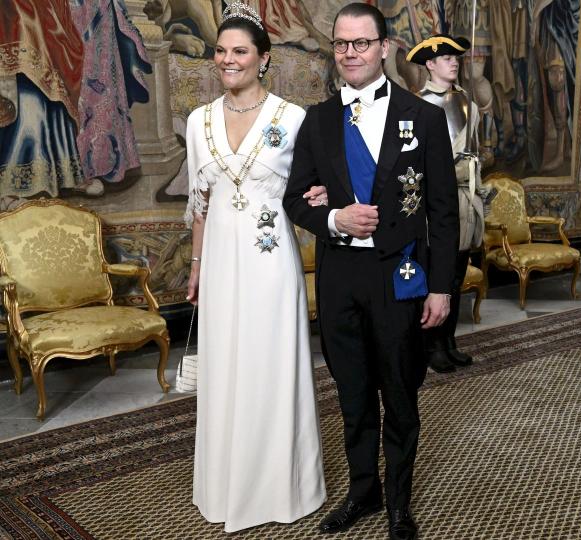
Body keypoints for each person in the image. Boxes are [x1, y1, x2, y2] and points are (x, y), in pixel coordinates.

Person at [282, 4, 458, 540]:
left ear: (384, 47)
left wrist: (443, 287)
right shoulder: (316, 119)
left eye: (361, 43)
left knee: (400, 395)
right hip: (340, 280)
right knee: (353, 395)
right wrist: (334, 217)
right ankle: (364, 491)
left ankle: (400, 504)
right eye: (341, 44)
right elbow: (295, 199)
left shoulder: (422, 118)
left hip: (400, 278)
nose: (350, 53)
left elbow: (443, 213)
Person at [184, 3, 325, 532]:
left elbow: (313, 188)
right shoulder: (198, 123)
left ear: (263, 59)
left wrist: (326, 194)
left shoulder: (293, 119)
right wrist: (196, 267)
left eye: (239, 51)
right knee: (224, 369)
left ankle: (281, 488)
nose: (228, 60)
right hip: (220, 262)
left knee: (271, 368)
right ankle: (223, 489)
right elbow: (200, 204)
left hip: (270, 264)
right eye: (220, 51)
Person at [407, 34, 485, 373]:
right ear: (430, 64)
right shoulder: (416, 105)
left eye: (456, 58)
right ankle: (430, 346)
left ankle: (449, 340)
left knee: (456, 272)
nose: (454, 62)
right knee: (437, 272)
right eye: (447, 58)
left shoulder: (468, 102)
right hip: (435, 201)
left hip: (465, 197)